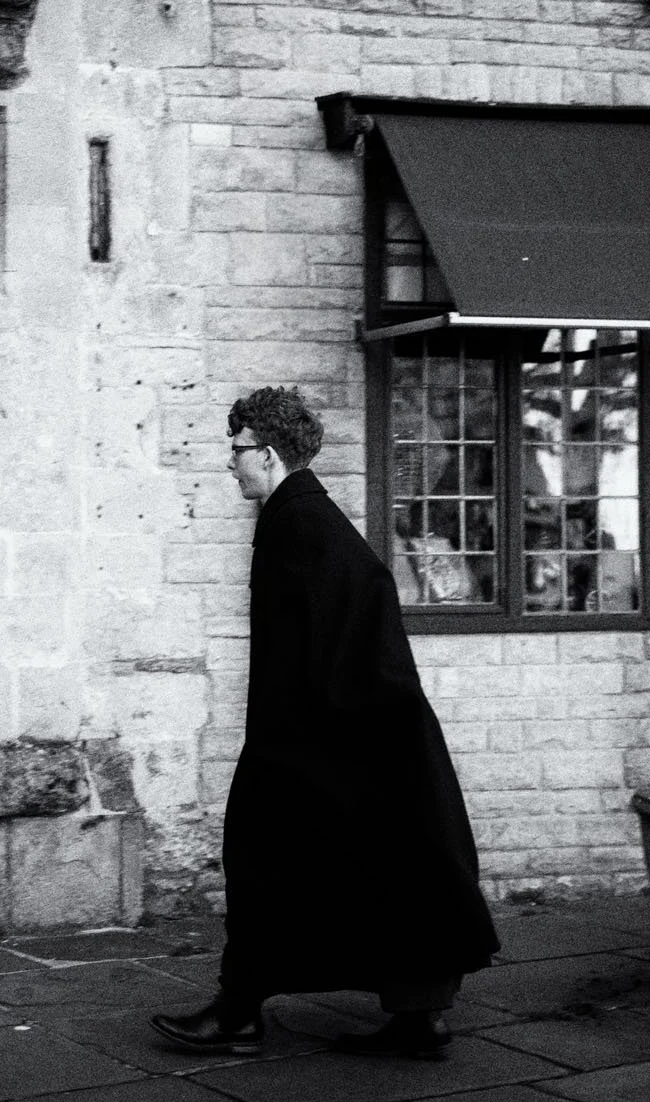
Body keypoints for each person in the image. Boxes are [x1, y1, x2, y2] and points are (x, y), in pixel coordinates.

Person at [151, 386, 500, 1059]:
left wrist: (313, 731)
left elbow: (351, 616)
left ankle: (240, 1014)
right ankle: (415, 1019)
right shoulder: (298, 516)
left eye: (238, 449)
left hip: (331, 733)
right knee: (388, 869)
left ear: (270, 454)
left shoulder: (302, 522)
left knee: (268, 863)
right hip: (351, 732)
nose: (229, 462)